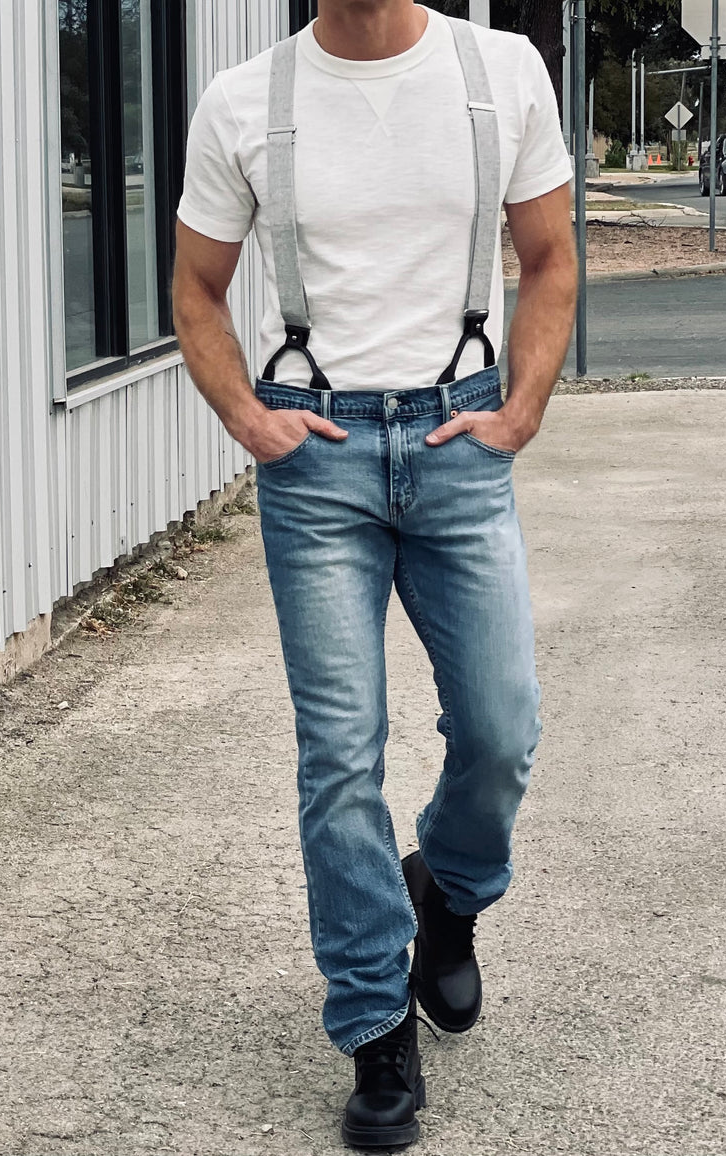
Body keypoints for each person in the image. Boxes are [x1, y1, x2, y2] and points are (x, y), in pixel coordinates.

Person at [171, 1, 577, 1147]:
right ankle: (370, 1021)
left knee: (500, 727)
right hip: (317, 456)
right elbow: (195, 289)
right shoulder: (246, 99)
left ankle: (444, 894)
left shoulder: (495, 72)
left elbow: (548, 262)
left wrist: (520, 410)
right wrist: (247, 417)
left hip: (457, 441)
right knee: (340, 752)